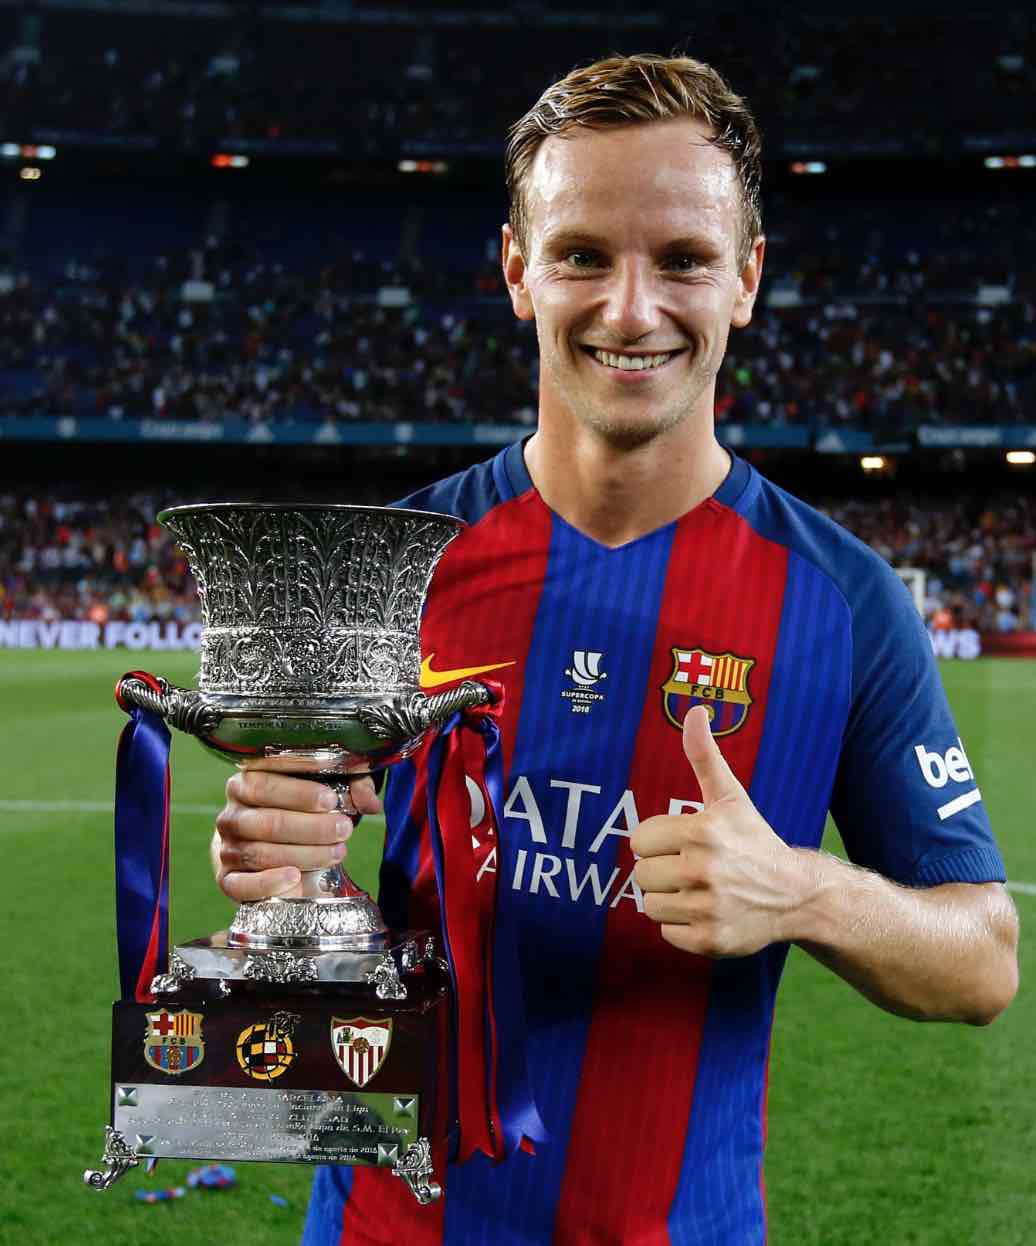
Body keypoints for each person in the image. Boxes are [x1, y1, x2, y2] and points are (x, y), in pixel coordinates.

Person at [211, 53, 1019, 1245]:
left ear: (745, 278)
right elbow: (297, 865)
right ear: (516, 270)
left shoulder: (843, 602)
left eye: (682, 259)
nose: (630, 310)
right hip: (386, 1224)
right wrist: (279, 851)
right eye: (582, 253)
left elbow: (984, 960)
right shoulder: (393, 568)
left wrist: (805, 891)